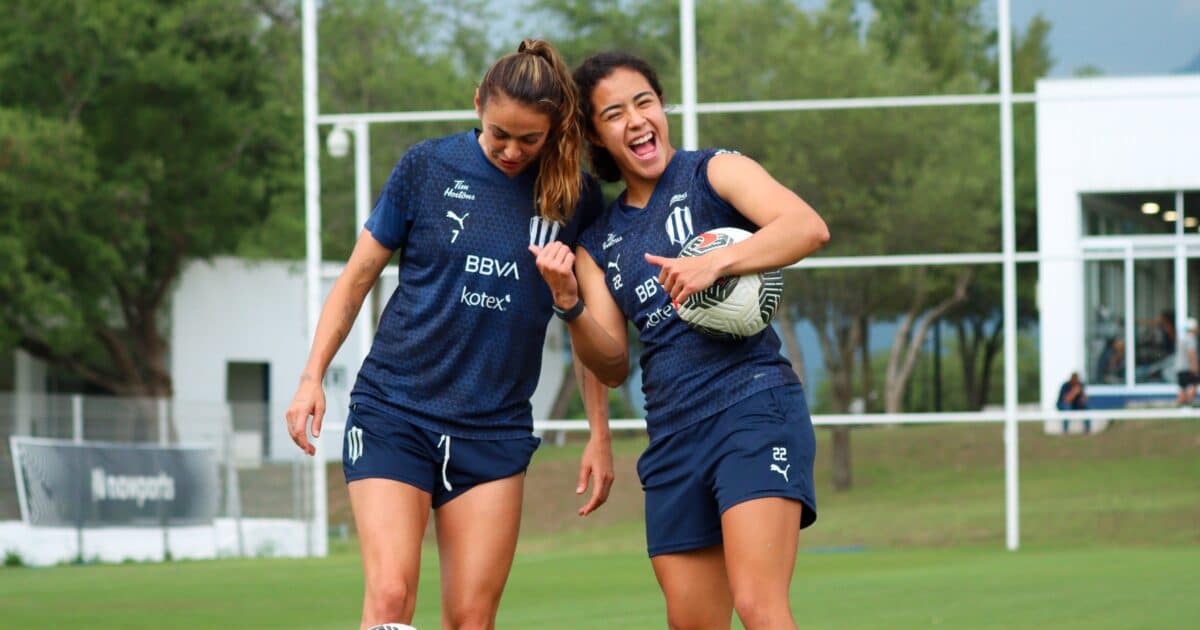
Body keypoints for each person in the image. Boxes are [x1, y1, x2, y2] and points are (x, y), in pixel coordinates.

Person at [284, 40, 613, 630]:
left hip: (493, 432)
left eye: (528, 139)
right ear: (477, 105)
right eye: (498, 135)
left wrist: (598, 433)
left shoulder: (576, 199)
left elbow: (583, 323)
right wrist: (311, 376)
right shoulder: (426, 167)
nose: (511, 150)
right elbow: (357, 278)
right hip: (395, 413)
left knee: (471, 619)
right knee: (389, 597)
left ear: (554, 128)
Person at [530, 52, 829, 629]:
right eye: (614, 113)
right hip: (671, 437)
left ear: (661, 108)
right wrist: (568, 305)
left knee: (760, 606)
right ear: (597, 135)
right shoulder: (599, 242)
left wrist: (716, 262)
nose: (637, 119)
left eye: (644, 102)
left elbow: (805, 227)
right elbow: (611, 362)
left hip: (754, 409)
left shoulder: (713, 171)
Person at [1176, 317, 1199, 406]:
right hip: (1187, 367)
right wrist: (1194, 366)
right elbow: (1191, 354)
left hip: (1180, 367)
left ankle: (1181, 404)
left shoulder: (1183, 338)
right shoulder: (1191, 339)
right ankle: (1188, 402)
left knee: (1182, 387)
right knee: (1195, 383)